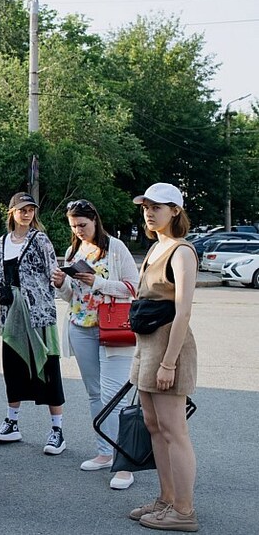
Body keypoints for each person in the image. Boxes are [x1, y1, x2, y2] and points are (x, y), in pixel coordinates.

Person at [53, 199, 140, 490]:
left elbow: (133, 287)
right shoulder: (73, 250)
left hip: (113, 329)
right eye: (73, 226)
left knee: (115, 396)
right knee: (94, 394)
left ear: (95, 220)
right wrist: (61, 284)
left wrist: (98, 283)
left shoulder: (115, 248)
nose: (78, 230)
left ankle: (124, 463)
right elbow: (72, 297)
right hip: (81, 328)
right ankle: (104, 452)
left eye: (82, 225)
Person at [127, 183, 199, 532]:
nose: (150, 212)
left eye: (158, 206)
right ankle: (167, 498)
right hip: (147, 346)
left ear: (175, 211)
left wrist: (169, 362)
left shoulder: (182, 252)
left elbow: (183, 311)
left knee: (174, 431)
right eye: (146, 207)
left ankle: (183, 511)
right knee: (154, 426)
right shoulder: (158, 247)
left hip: (170, 347)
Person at [0, 192, 65, 455]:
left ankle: (57, 429)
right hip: (12, 315)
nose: (27, 213)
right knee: (12, 367)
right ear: (11, 212)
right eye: (22, 209)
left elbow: (53, 272)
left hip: (38, 314)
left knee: (48, 367)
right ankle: (12, 421)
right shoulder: (2, 242)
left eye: (31, 209)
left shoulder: (40, 240)